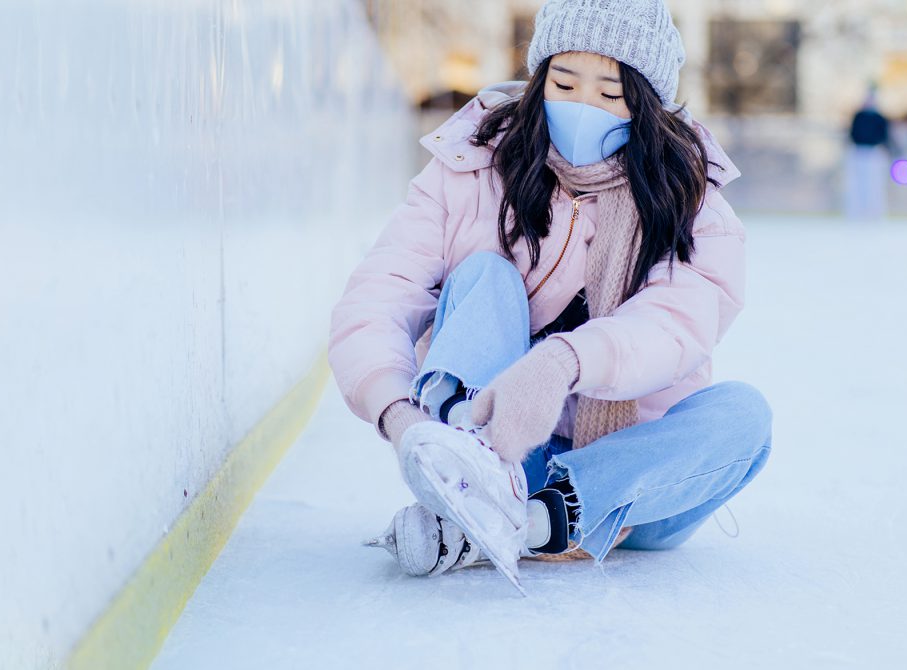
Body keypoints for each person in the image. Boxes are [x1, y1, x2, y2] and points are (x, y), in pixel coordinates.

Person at [330, 0, 771, 589]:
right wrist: (400, 415)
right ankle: (471, 474)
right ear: (539, 79)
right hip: (504, 450)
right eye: (564, 82)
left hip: (636, 481)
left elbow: (676, 323)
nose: (583, 105)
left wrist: (564, 362)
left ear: (646, 104)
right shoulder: (471, 168)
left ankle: (521, 522)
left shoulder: (688, 197)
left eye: (611, 93)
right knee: (485, 274)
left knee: (745, 416)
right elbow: (380, 292)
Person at [844, 86, 898, 220]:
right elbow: (852, 134)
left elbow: (886, 137)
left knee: (874, 186)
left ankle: (874, 214)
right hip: (858, 152)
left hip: (874, 153)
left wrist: (894, 153)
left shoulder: (880, 118)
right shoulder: (858, 116)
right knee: (856, 186)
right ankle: (856, 214)